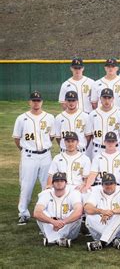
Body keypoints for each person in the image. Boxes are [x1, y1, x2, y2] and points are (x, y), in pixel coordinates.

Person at [13, 90, 55, 225]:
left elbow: (51, 136)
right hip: (29, 155)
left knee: (47, 185)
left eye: (38, 100)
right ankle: (23, 213)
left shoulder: (49, 117)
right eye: (34, 100)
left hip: (46, 155)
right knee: (26, 185)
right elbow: (17, 139)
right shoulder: (22, 118)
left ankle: (47, 212)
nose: (36, 103)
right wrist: (25, 149)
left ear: (42, 102)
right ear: (29, 102)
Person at [84, 173, 120, 251]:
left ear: (115, 184)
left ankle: (102, 242)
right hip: (102, 227)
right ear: (102, 185)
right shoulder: (96, 193)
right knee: (89, 217)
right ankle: (114, 240)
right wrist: (102, 211)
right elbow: (87, 207)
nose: (109, 186)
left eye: (111, 183)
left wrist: (111, 212)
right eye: (106, 184)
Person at [34, 172, 83, 247]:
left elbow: (79, 212)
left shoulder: (74, 193)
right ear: (52, 184)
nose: (59, 183)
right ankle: (59, 240)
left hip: (68, 229)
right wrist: (53, 222)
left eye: (61, 181)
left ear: (66, 183)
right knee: (42, 213)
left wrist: (62, 222)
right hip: (52, 226)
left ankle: (52, 240)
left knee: (75, 213)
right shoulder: (46, 193)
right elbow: (36, 213)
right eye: (56, 181)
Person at [86, 88, 120, 158]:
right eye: (104, 98)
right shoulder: (93, 114)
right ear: (100, 98)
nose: (107, 100)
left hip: (115, 149)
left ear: (112, 99)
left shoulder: (119, 114)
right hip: (98, 149)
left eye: (109, 98)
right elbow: (89, 135)